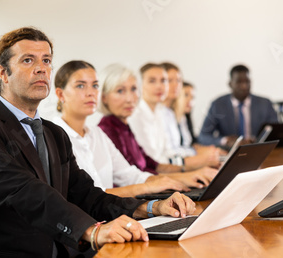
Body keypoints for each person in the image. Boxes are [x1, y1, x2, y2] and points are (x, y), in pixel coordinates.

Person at [0, 27, 195, 258]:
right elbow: (24, 192)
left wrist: (152, 207)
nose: (41, 68)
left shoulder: (53, 133)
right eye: (28, 60)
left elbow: (87, 196)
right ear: (3, 73)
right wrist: (92, 230)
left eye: (46, 60)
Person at [53, 60, 190, 198]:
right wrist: (150, 186)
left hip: (110, 212)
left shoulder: (97, 134)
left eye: (95, 85)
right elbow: (87, 196)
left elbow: (128, 174)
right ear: (60, 94)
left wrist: (165, 181)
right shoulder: (53, 137)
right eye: (80, 86)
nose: (91, 93)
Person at [97, 63, 217, 189]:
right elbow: (132, 177)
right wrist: (186, 174)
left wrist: (188, 173)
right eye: (120, 91)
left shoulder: (123, 125)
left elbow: (151, 164)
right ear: (104, 97)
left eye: (133, 89)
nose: (129, 98)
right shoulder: (108, 129)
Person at [127, 63, 219, 170]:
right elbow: (153, 161)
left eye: (163, 81)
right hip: (153, 174)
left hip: (167, 169)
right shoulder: (135, 116)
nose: (159, 86)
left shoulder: (159, 113)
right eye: (152, 81)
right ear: (139, 85)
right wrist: (195, 161)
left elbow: (168, 151)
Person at [198, 64, 278, 149]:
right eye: (239, 82)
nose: (244, 86)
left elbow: (277, 132)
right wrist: (226, 141)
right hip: (229, 153)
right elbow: (203, 136)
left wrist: (258, 140)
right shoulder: (218, 105)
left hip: (259, 151)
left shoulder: (265, 103)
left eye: (247, 82)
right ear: (230, 84)